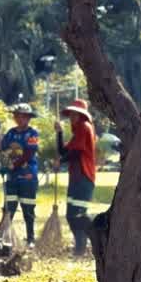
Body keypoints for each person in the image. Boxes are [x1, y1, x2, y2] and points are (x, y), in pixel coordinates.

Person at [0, 103, 41, 247]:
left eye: (23, 116)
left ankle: (30, 238)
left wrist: (14, 166)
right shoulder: (10, 133)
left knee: (28, 208)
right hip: (12, 177)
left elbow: (29, 153)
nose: (20, 119)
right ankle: (3, 235)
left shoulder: (33, 134)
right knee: (9, 207)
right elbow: (0, 148)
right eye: (17, 116)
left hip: (27, 176)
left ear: (29, 118)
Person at [55, 99, 97, 256]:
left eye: (75, 114)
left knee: (79, 215)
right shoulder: (76, 134)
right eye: (71, 114)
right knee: (71, 215)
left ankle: (90, 241)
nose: (72, 117)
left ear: (82, 116)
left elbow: (76, 153)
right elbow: (63, 151)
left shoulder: (85, 128)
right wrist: (59, 133)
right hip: (76, 178)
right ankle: (80, 246)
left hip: (84, 178)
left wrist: (60, 161)